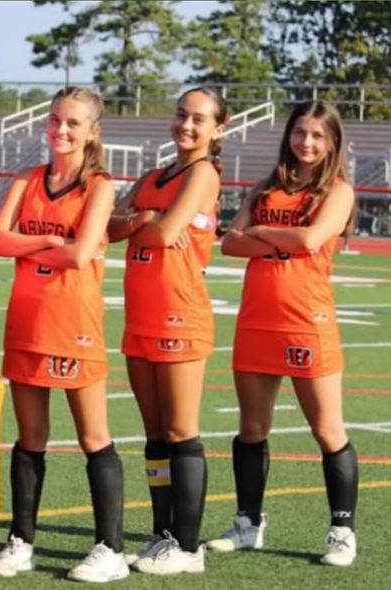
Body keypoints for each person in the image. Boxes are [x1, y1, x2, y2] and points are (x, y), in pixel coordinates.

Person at [0, 87, 127, 583]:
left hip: (75, 323)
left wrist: (28, 248)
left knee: (94, 437)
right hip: (26, 318)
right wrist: (46, 240)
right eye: (54, 120)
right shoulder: (28, 177)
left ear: (92, 131)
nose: (60, 131)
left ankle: (111, 549)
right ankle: (21, 540)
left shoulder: (101, 186)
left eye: (72, 123)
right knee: (30, 438)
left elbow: (80, 254)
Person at [209, 100, 359, 567]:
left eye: (317, 135)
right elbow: (229, 242)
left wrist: (258, 230)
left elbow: (313, 240)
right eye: (300, 133)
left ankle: (341, 532)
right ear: (288, 135)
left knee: (327, 429)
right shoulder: (265, 188)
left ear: (332, 140)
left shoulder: (338, 191)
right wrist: (271, 233)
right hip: (257, 321)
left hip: (306, 322)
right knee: (251, 429)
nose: (307, 142)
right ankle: (248, 523)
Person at [106, 87, 228, 575]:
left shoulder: (204, 173)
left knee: (181, 432)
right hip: (141, 315)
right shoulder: (153, 175)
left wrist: (143, 220)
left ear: (218, 128)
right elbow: (111, 227)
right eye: (181, 115)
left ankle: (189, 546)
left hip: (180, 313)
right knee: (155, 435)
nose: (187, 125)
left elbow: (164, 232)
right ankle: (163, 533)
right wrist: (143, 218)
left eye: (200, 119)